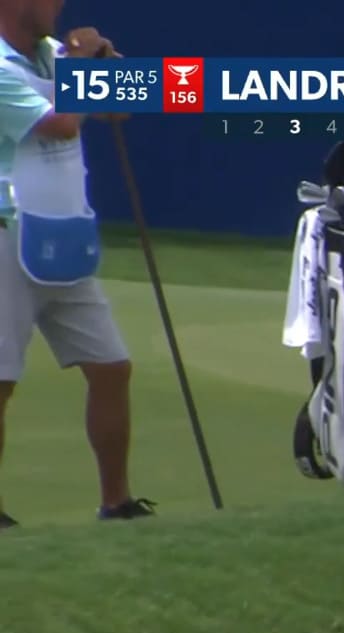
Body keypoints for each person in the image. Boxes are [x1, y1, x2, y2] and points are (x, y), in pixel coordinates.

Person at [0, 5, 153, 529]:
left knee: (111, 366)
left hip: (65, 235)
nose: (58, 6)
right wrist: (82, 67)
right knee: (0, 381)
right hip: (7, 235)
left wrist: (106, 62)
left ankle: (117, 502)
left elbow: (124, 107)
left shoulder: (53, 57)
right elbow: (61, 125)